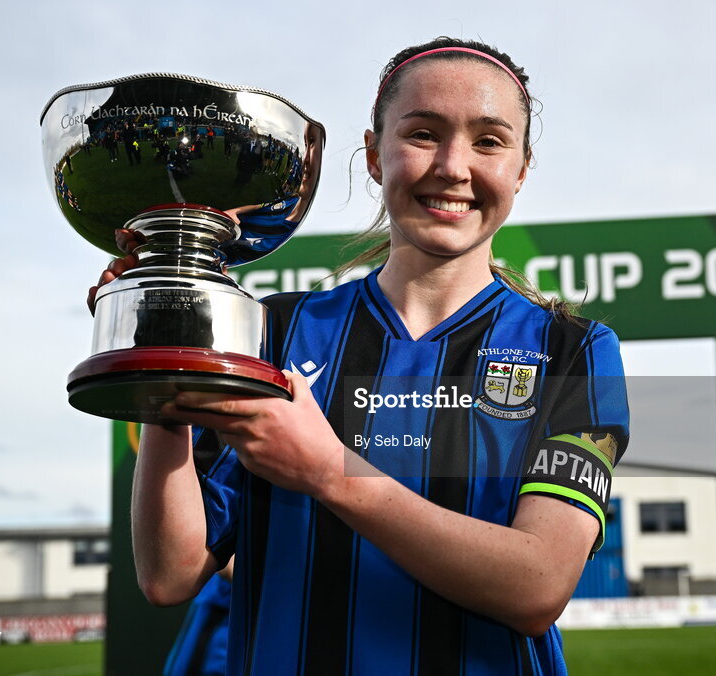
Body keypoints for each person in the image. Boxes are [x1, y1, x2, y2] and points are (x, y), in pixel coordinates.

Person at [96, 36, 629, 675]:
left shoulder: (574, 350)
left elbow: (538, 585)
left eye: (489, 140)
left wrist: (330, 473)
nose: (454, 166)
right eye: (423, 134)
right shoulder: (272, 333)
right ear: (375, 156)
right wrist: (168, 373)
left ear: (520, 167)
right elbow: (171, 572)